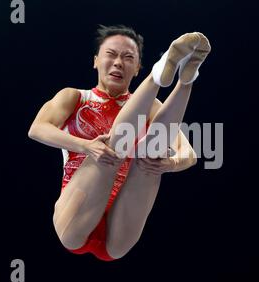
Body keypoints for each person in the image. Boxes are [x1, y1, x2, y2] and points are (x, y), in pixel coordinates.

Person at [28, 25, 211, 261]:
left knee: (151, 156)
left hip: (119, 228)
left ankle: (187, 78)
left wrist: (170, 163)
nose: (118, 63)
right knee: (112, 150)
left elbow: (189, 154)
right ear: (95, 61)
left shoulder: (153, 107)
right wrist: (86, 146)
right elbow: (37, 128)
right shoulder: (74, 96)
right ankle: (166, 76)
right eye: (111, 54)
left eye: (128, 58)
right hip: (76, 213)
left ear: (136, 69)